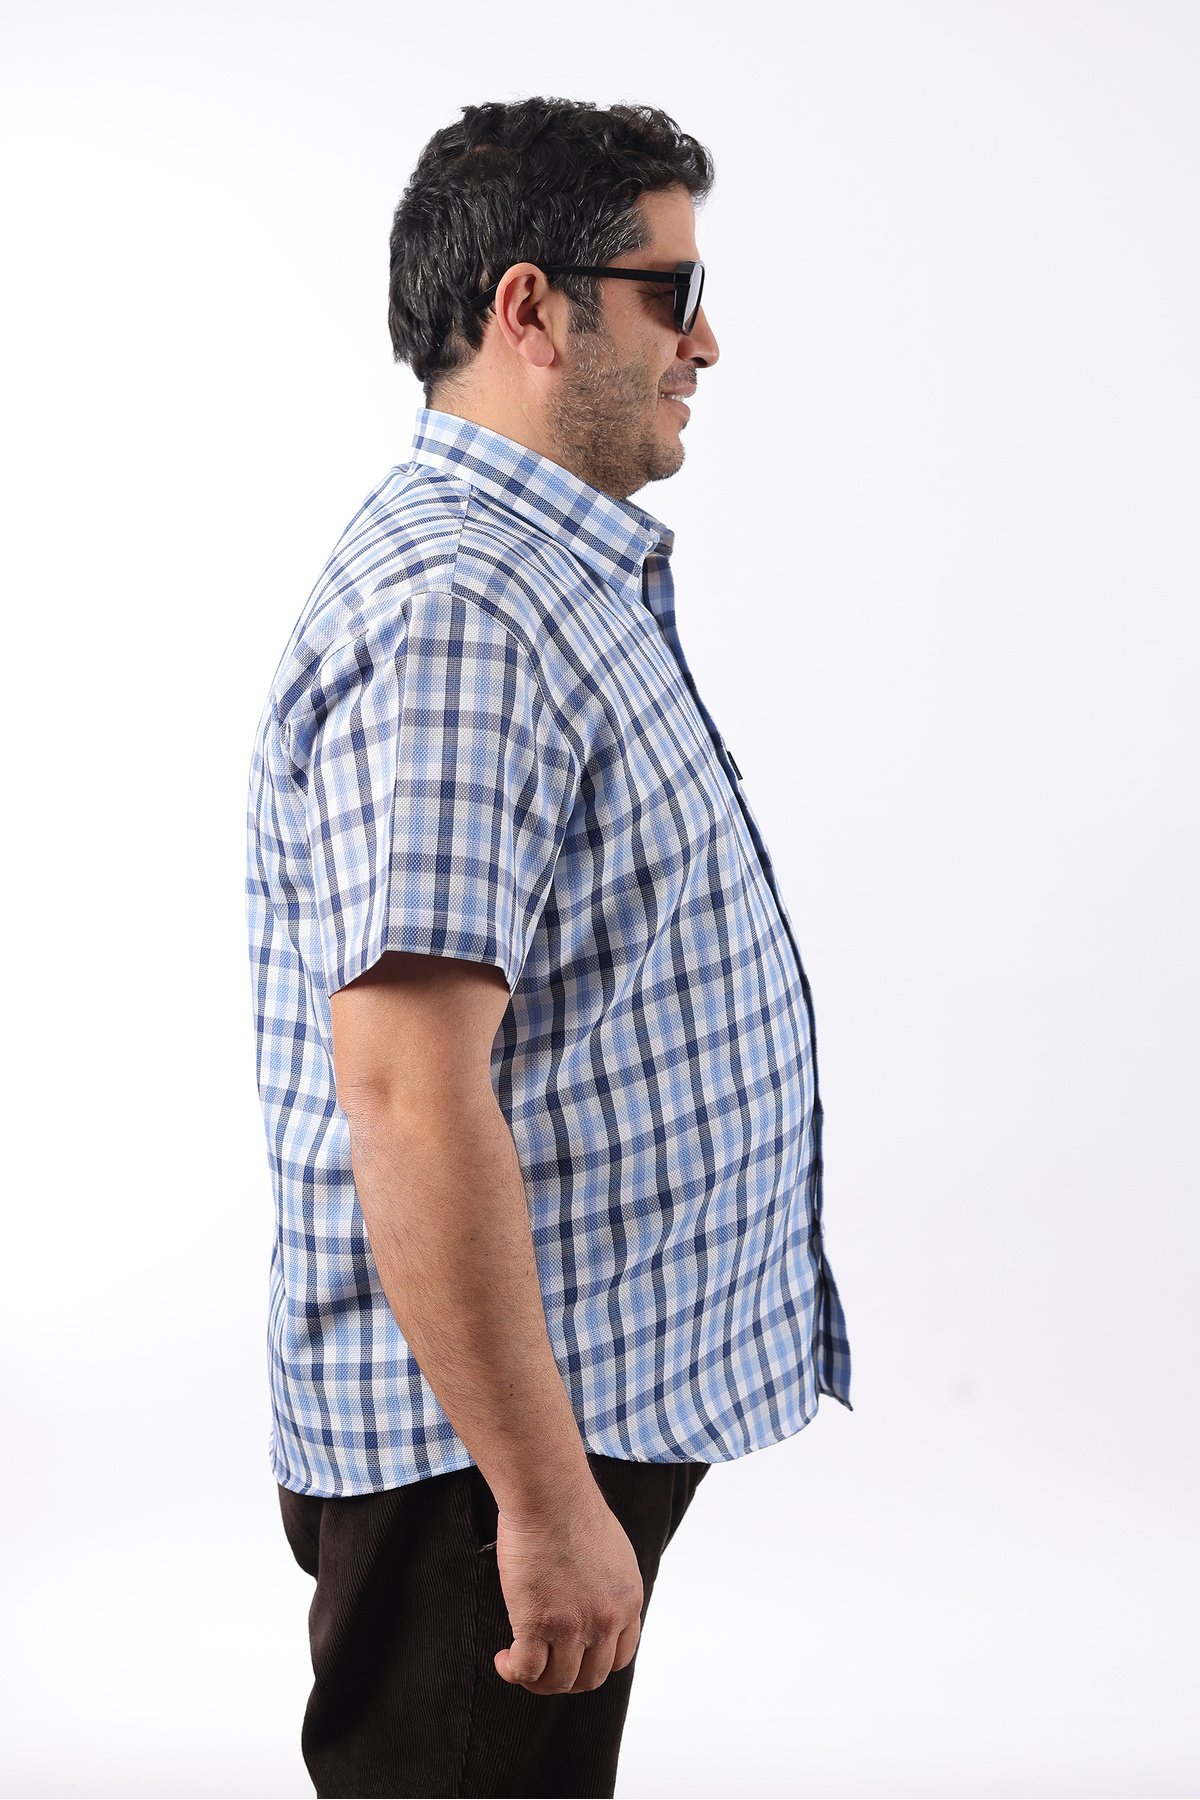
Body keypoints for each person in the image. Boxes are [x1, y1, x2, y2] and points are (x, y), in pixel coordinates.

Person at [246, 97, 850, 1800]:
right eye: (673, 292)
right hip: (486, 1455)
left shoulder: (543, 574)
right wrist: (537, 1495)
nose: (705, 343)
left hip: (548, 1413)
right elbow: (407, 1093)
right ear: (531, 308)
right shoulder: (463, 612)